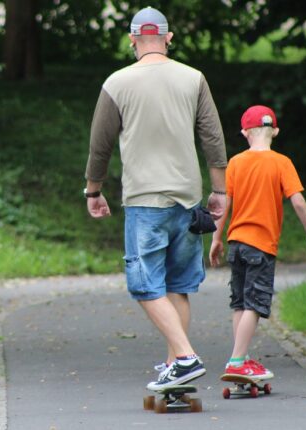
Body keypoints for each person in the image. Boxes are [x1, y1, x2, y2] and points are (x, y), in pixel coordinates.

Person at [84, 6, 228, 390]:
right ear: (168, 38)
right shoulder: (193, 78)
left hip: (145, 200)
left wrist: (93, 190)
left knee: (145, 285)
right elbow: (213, 139)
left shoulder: (117, 82)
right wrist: (220, 191)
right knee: (177, 285)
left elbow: (100, 147)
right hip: (186, 200)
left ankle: (184, 357)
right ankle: (175, 370)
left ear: (132, 40)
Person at [209, 105, 306, 378]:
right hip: (261, 246)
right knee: (255, 304)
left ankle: (241, 358)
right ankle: (237, 362)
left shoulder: (235, 163)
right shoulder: (281, 162)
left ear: (245, 132)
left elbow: (225, 203)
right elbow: (297, 200)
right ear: (276, 131)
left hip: (236, 243)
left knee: (239, 302)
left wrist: (215, 238)